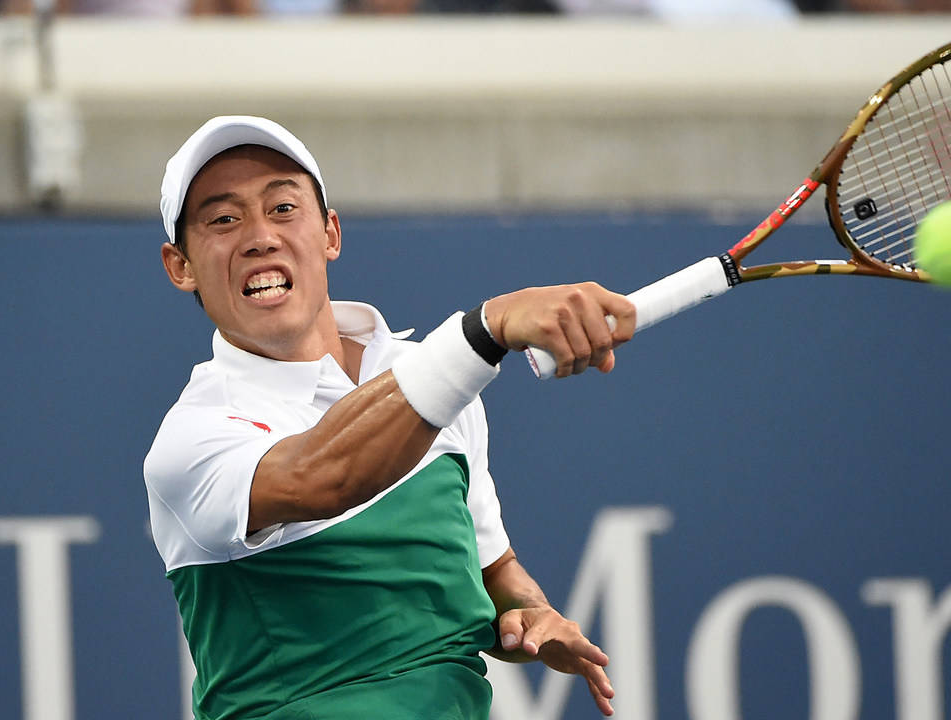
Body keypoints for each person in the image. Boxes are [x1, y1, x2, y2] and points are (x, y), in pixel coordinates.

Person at [143, 115, 633, 720]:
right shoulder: (192, 437)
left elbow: (491, 568)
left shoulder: (434, 382)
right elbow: (325, 477)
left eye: (283, 208)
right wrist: (484, 331)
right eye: (224, 219)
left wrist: (531, 613)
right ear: (180, 265)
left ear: (330, 234)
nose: (260, 237)